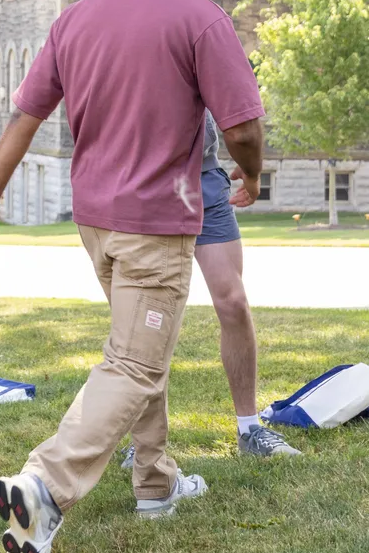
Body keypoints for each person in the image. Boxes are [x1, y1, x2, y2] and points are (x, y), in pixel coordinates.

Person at [0, 0, 266, 553]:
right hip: (157, 219)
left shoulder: (74, 20)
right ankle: (44, 487)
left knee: (132, 348)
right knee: (135, 362)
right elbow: (241, 125)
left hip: (95, 220)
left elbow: (26, 117)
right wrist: (254, 176)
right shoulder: (198, 16)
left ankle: (154, 482)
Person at [120, 111, 300, 467]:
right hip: (143, 184)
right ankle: (144, 443)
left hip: (203, 182)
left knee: (234, 302)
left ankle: (249, 428)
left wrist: (250, 169)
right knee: (150, 315)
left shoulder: (205, 50)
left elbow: (239, 113)